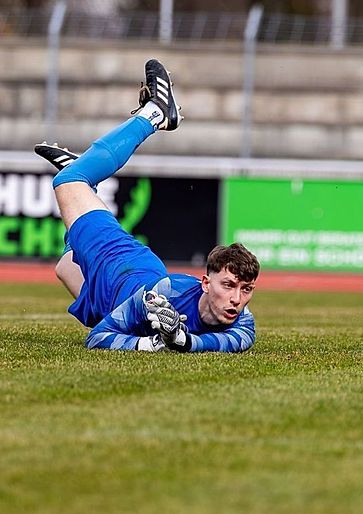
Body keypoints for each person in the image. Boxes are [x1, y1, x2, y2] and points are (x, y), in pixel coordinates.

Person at [35, 59, 258, 353]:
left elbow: (224, 342)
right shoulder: (163, 296)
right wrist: (157, 343)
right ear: (205, 283)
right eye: (228, 285)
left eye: (246, 290)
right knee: (68, 181)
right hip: (122, 269)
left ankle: (87, 181)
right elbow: (99, 337)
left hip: (110, 297)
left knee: (65, 266)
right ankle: (155, 113)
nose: (236, 299)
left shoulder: (243, 324)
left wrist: (177, 341)